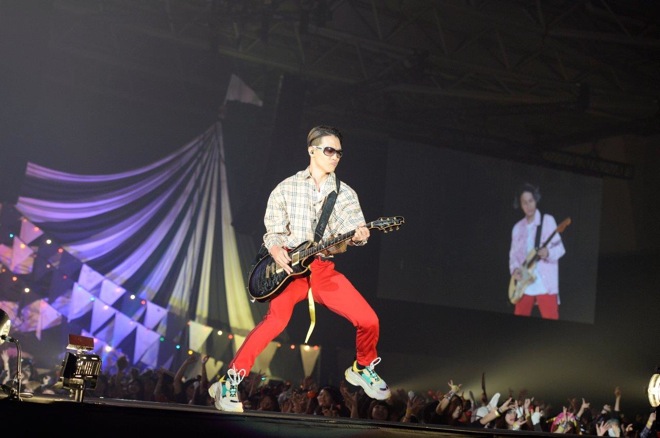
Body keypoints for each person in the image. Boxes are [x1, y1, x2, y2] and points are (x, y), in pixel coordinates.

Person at [208, 125, 391, 412]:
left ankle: (362, 367)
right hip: (290, 269)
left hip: (322, 268)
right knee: (275, 322)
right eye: (329, 150)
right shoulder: (286, 187)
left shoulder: (345, 194)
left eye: (339, 152)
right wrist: (276, 249)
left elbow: (348, 235)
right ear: (312, 150)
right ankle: (229, 381)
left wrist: (358, 236)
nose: (335, 156)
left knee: (369, 320)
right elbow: (273, 232)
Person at [508, 183, 566, 319]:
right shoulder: (517, 228)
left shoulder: (548, 220)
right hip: (524, 285)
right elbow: (513, 256)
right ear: (520, 205)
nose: (528, 206)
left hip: (545, 284)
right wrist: (514, 270)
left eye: (531, 201)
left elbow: (560, 249)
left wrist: (548, 253)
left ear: (536, 200)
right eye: (524, 203)